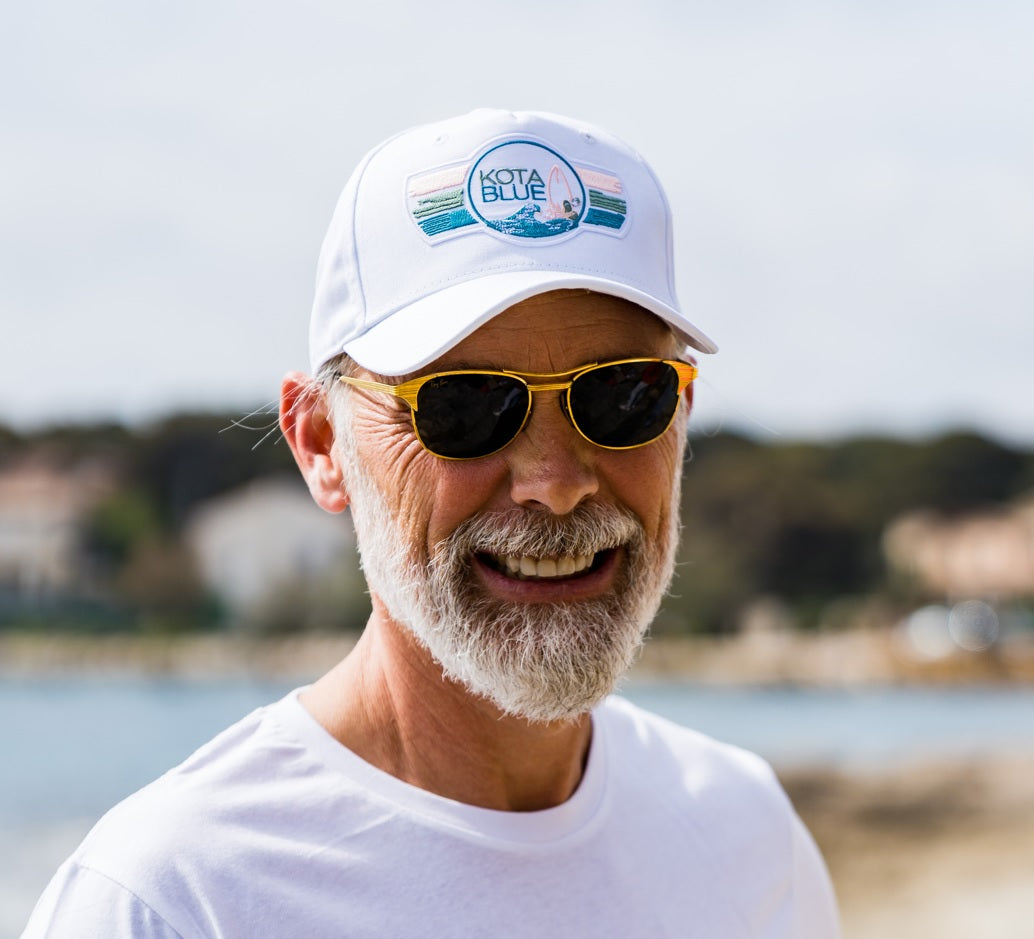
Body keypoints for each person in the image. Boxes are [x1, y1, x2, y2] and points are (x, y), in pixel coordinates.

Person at [23, 109, 840, 937]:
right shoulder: (174, 897)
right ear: (321, 444)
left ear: (681, 418)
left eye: (624, 397)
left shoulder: (747, 839)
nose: (555, 485)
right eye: (466, 405)